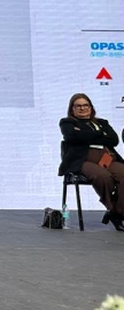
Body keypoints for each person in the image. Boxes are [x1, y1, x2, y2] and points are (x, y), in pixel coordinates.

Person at [59, 94, 124, 231]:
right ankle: (113, 210)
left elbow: (113, 140)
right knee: (102, 176)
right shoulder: (67, 123)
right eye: (78, 106)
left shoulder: (102, 123)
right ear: (72, 109)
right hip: (84, 160)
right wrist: (100, 134)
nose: (82, 108)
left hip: (108, 158)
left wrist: (83, 134)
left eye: (85, 105)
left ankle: (117, 212)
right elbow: (71, 136)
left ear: (91, 107)